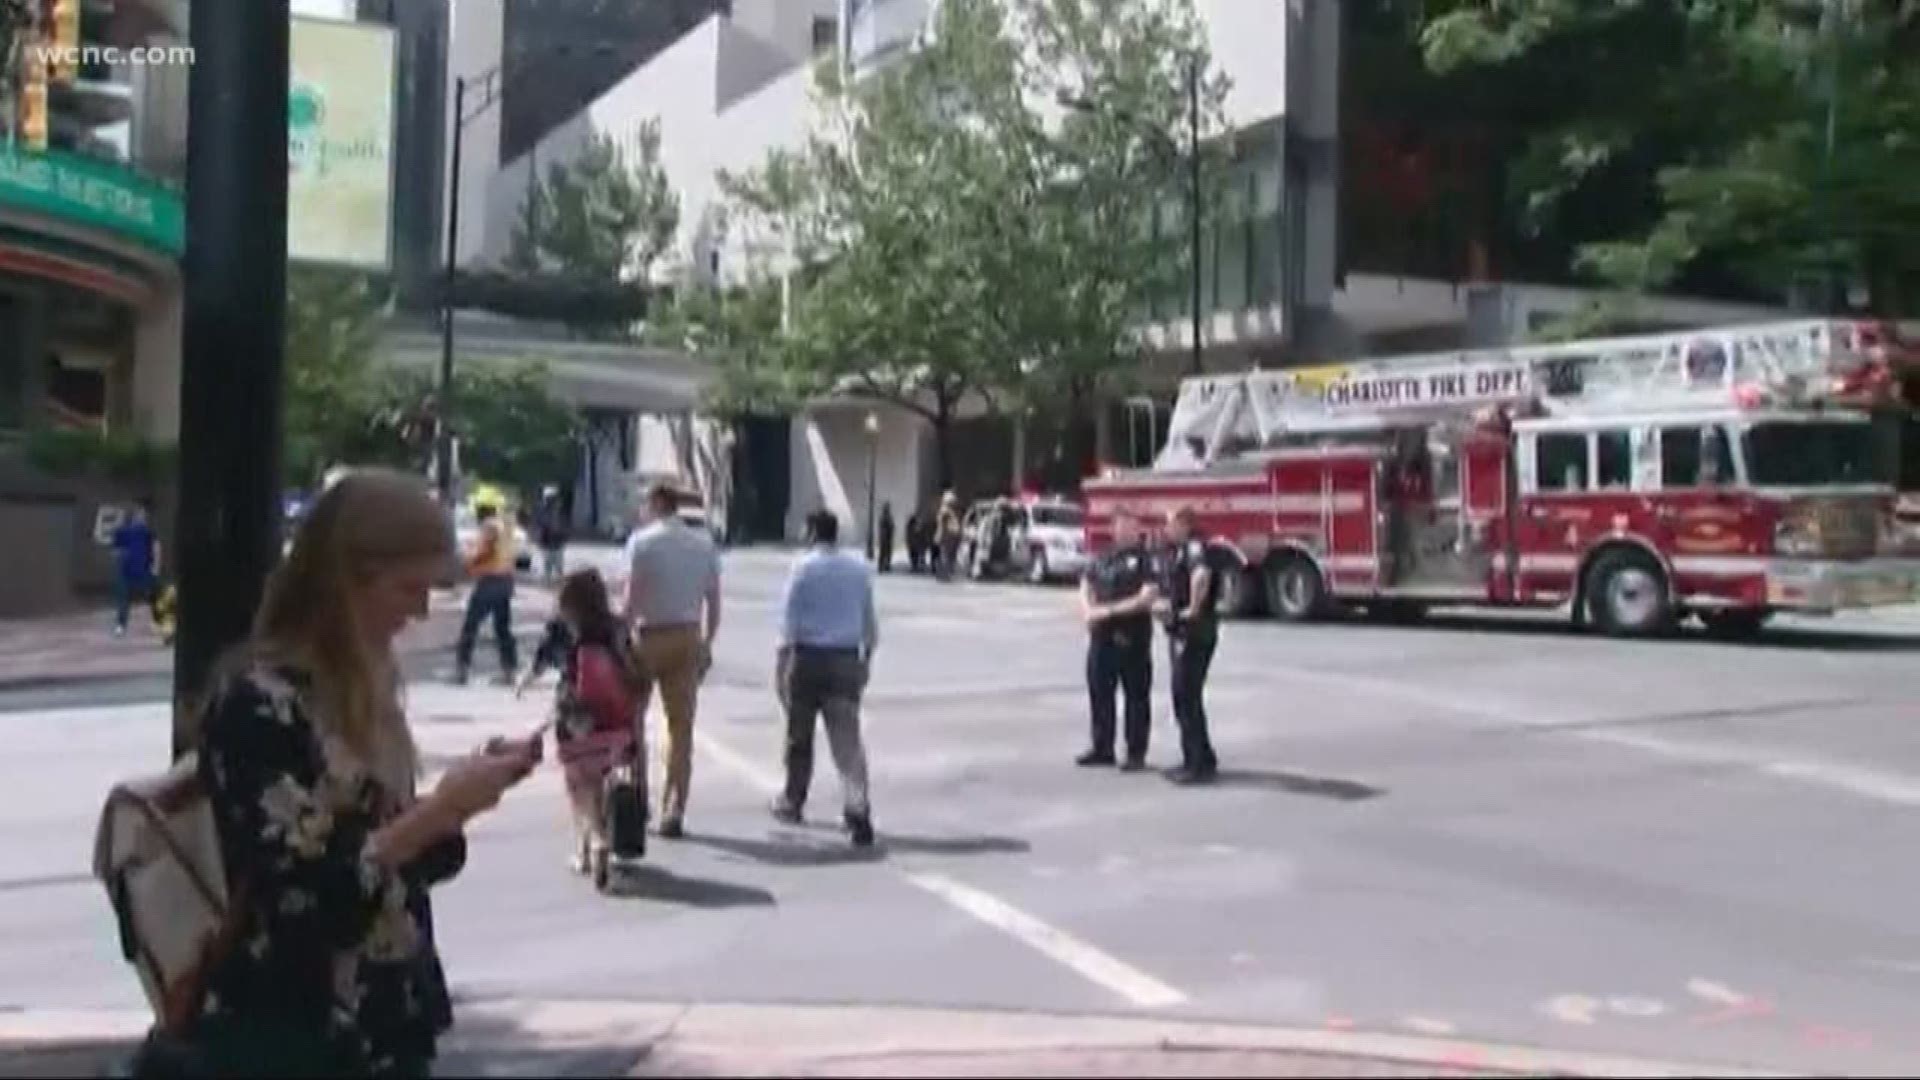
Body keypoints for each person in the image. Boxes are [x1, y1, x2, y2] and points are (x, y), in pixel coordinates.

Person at [188, 469, 539, 1077]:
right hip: (301, 1029)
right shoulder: (256, 703)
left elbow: (395, 861)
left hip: (386, 1018)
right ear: (347, 582)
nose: (422, 610)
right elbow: (312, 898)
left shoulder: (354, 689)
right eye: (409, 589)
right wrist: (442, 810)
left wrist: (460, 799)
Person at [519, 569, 643, 875]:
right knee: (601, 776)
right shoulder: (615, 626)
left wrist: (525, 682)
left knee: (578, 783)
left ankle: (590, 845)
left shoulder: (561, 629)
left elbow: (541, 663)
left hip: (576, 717)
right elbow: (632, 667)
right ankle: (599, 835)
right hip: (614, 719)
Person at [770, 511, 879, 847]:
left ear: (812, 532)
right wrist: (865, 660)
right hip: (846, 659)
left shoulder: (802, 568)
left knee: (799, 737)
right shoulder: (858, 569)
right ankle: (856, 807)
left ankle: (793, 799)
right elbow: (869, 621)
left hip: (807, 659)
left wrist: (782, 662)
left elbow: (789, 620)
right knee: (847, 740)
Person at [623, 481, 721, 839]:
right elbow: (714, 600)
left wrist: (622, 635)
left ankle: (638, 796)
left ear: (655, 503)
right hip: (687, 634)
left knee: (632, 721)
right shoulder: (703, 544)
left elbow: (631, 599)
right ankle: (674, 807)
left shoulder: (642, 543)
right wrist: (707, 642)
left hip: (649, 636)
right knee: (681, 729)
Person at [1078, 515, 1159, 770]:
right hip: (1101, 636)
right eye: (1121, 526)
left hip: (1132, 636)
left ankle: (1136, 753)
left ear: (1138, 531)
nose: (1125, 531)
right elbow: (1086, 583)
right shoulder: (1103, 556)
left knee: (1135, 696)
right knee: (1100, 692)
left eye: (1131, 527)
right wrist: (1088, 609)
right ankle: (1102, 747)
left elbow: (1148, 596)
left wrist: (1109, 611)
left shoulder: (1147, 559)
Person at [1156, 508, 1221, 784]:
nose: (1166, 529)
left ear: (1184, 524)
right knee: (1187, 696)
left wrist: (1192, 608)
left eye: (1169, 523)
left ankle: (1196, 764)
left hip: (1194, 632)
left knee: (1185, 696)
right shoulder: (1180, 550)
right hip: (1185, 630)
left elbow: (1201, 576)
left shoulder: (1194, 547)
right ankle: (1201, 756)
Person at [452, 500, 519, 686]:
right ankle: (509, 671)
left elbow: (486, 552)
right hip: (505, 581)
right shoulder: (506, 527)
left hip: (490, 581)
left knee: (470, 626)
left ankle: (461, 670)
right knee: (503, 628)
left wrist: (468, 564)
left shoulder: (489, 527)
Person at [109, 501, 162, 637]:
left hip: (145, 568)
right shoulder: (124, 531)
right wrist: (119, 557)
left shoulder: (147, 532)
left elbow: (156, 546)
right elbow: (115, 549)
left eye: (144, 516)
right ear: (133, 517)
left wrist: (156, 566)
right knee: (123, 599)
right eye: (140, 515)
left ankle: (158, 623)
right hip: (126, 570)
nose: (143, 518)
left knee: (154, 596)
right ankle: (120, 626)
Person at [534, 485, 569, 584]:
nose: (552, 500)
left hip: (557, 540)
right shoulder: (542, 509)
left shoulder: (559, 509)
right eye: (550, 498)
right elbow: (539, 524)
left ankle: (558, 581)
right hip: (547, 539)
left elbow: (563, 523)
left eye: (553, 498)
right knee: (548, 562)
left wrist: (564, 535)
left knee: (558, 563)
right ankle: (548, 580)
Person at [934, 492, 963, 582]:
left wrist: (938, 535)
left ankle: (944, 574)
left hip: (947, 536)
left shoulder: (944, 510)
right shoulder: (949, 511)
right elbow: (954, 524)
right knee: (948, 556)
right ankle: (945, 574)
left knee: (945, 555)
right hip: (950, 536)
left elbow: (941, 525)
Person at [876, 502, 896, 574]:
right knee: (886, 552)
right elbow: (889, 527)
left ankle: (884, 566)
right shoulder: (886, 517)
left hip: (885, 538)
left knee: (885, 553)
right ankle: (884, 566)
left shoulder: (885, 517)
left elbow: (890, 527)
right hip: (886, 538)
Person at [904, 508, 925, 574]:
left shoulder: (908, 527)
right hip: (915, 544)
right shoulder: (916, 526)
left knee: (912, 555)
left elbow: (908, 535)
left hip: (911, 544)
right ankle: (915, 567)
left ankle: (914, 566)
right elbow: (920, 535)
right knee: (916, 555)